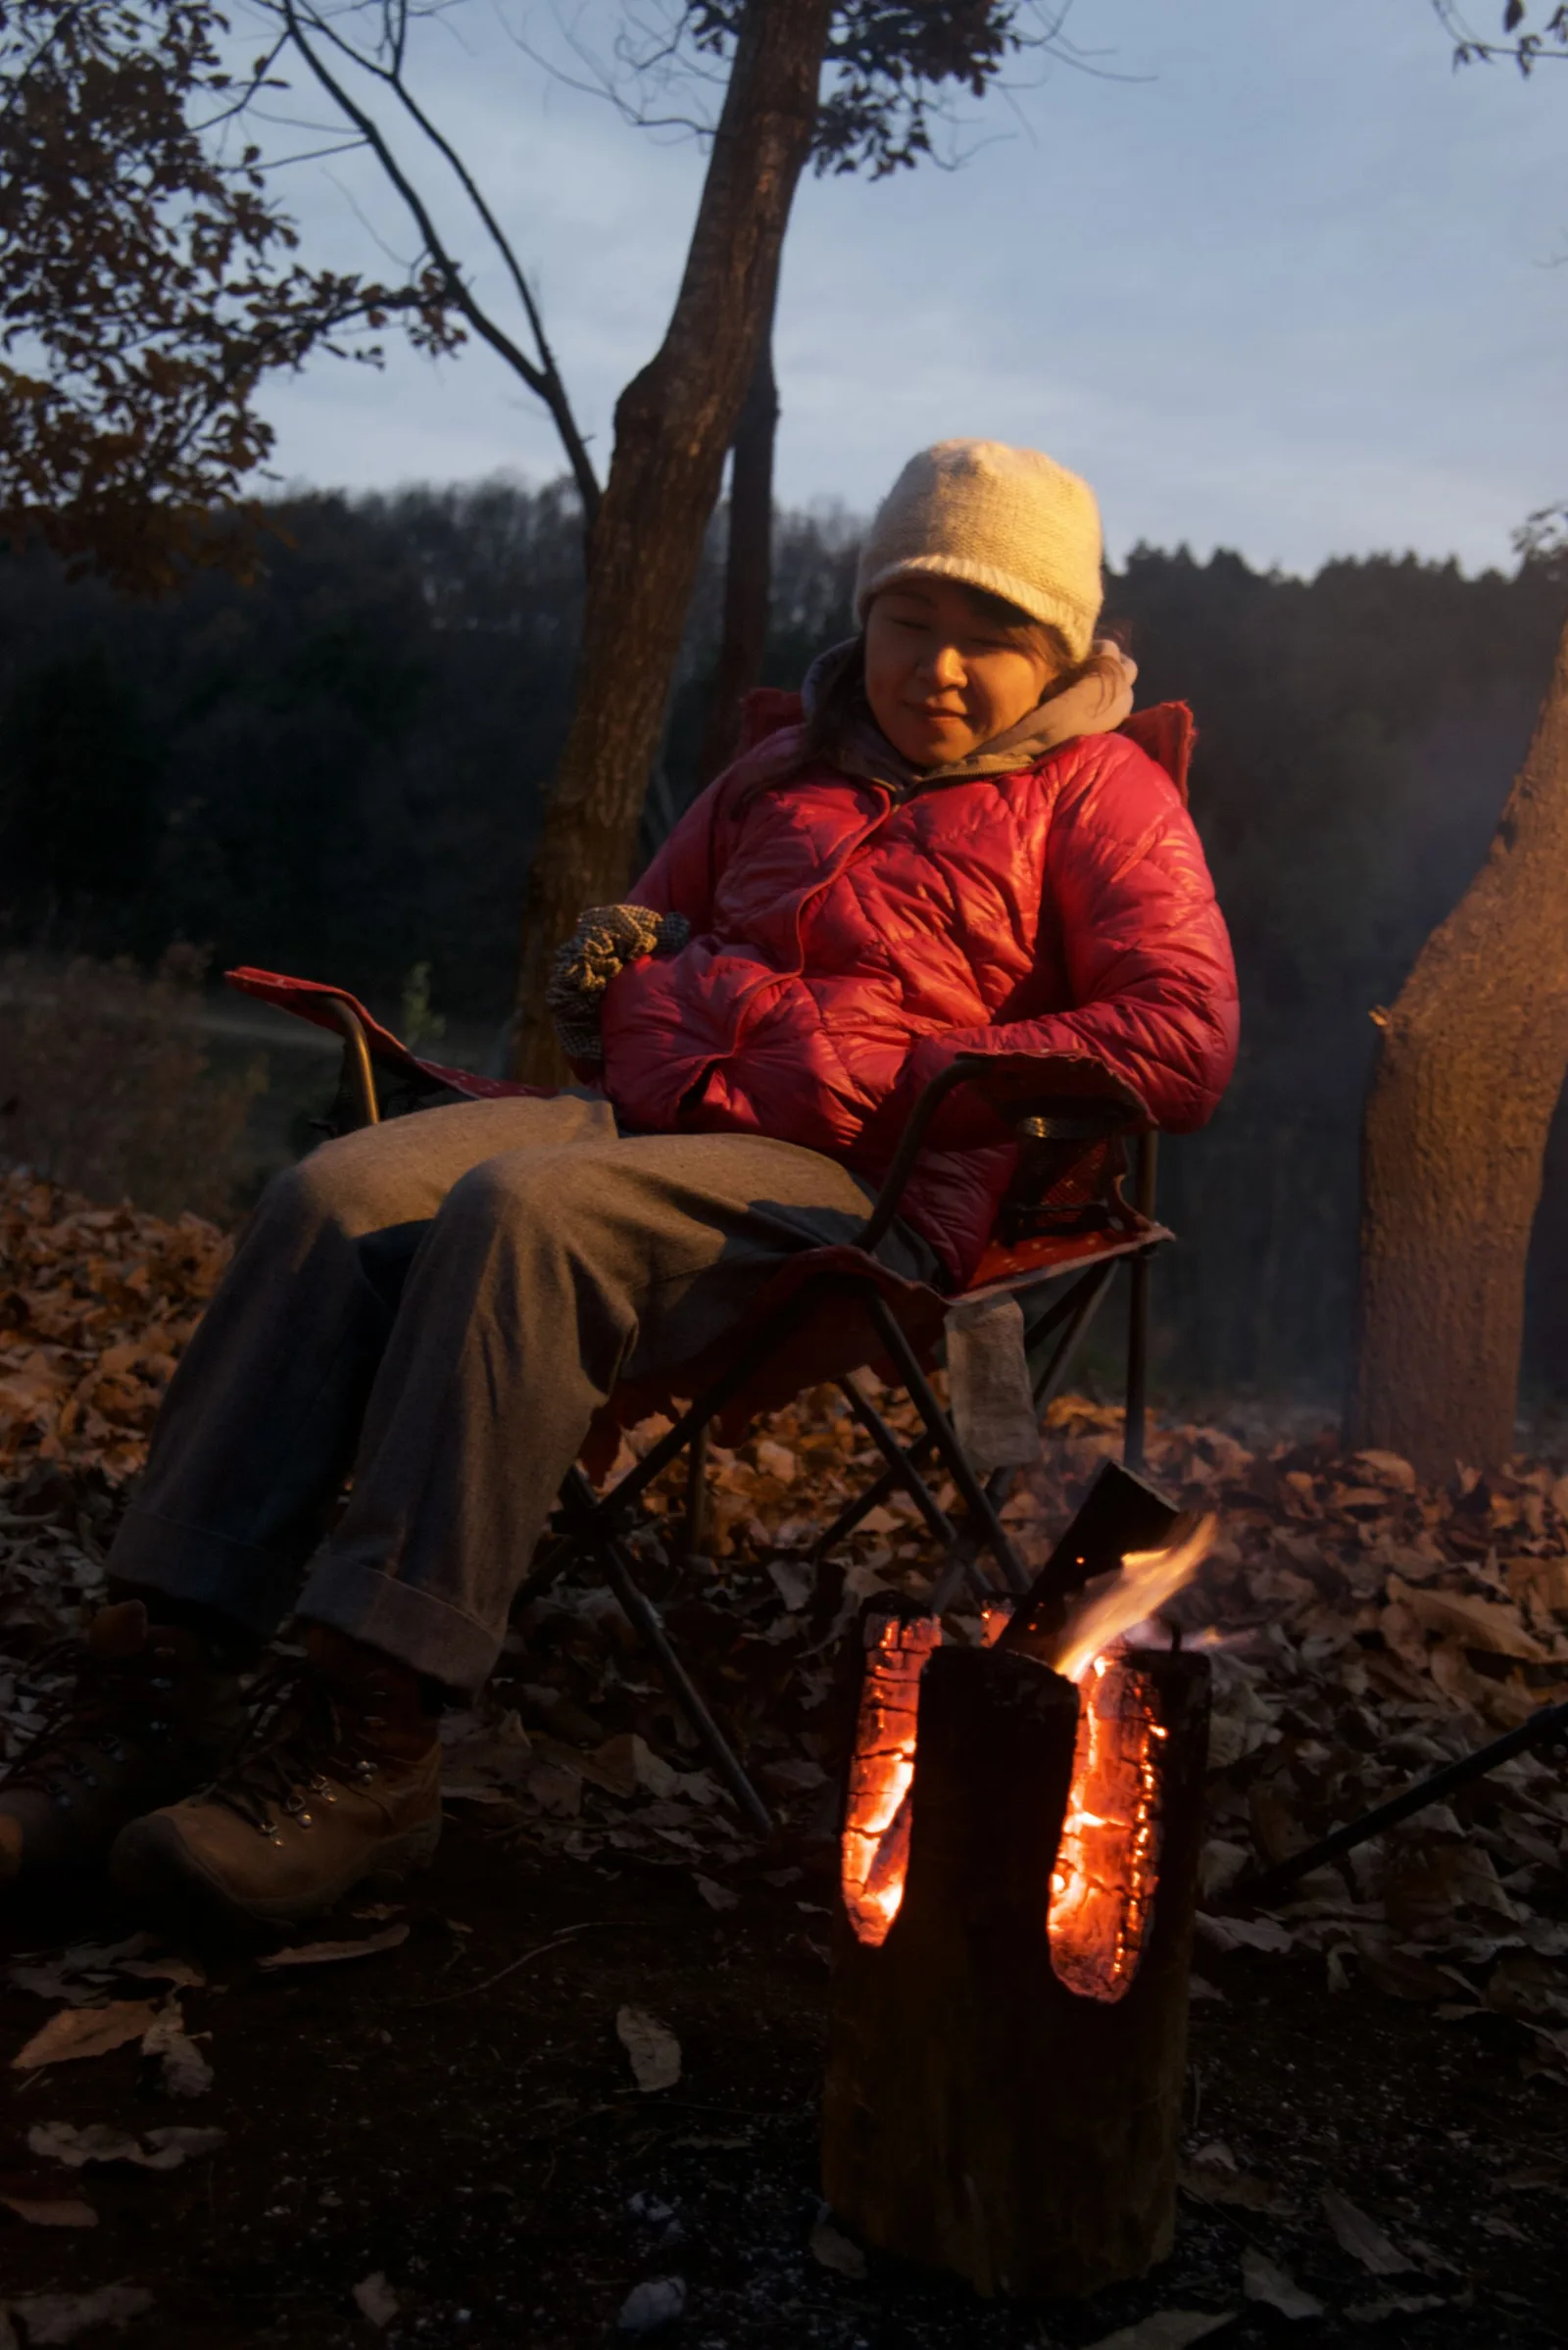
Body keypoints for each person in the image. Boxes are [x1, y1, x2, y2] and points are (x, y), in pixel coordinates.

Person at [0, 439, 1239, 1924]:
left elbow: (1184, 1034)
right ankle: (156, 1678)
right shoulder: (779, 768)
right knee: (328, 1197)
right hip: (645, 1119)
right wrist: (630, 989)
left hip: (867, 1193)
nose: (947, 668)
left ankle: (369, 1742)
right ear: (867, 617)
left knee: (521, 1216)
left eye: (994, 636)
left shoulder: (1096, 794)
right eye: (915, 621)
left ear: (1062, 645)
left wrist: (915, 1063)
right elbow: (633, 939)